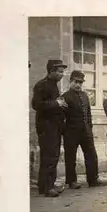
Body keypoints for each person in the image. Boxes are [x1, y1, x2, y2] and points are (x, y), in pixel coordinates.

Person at [62, 70, 107, 188]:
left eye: (80, 82)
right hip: (71, 132)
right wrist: (65, 131)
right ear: (70, 81)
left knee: (91, 155)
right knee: (70, 157)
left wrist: (89, 128)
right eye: (76, 82)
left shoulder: (84, 95)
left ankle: (93, 180)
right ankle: (71, 181)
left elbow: (88, 114)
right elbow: (61, 117)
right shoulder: (65, 97)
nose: (78, 85)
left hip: (86, 131)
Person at [31, 59, 68, 197]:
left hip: (54, 126)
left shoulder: (53, 85)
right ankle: (48, 188)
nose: (62, 74)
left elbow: (52, 104)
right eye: (59, 72)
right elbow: (36, 105)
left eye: (62, 72)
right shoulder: (42, 85)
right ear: (51, 71)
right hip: (47, 127)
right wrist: (56, 103)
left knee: (52, 155)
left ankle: (45, 186)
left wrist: (61, 106)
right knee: (50, 156)